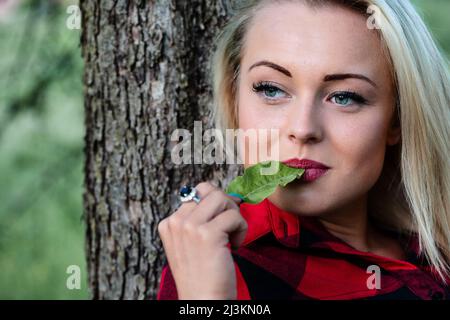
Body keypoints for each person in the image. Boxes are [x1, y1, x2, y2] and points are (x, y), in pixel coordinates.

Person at [157, 0, 450, 300]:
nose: (303, 128)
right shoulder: (217, 268)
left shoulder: (434, 250)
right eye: (271, 89)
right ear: (235, 100)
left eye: (344, 97)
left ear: (397, 119)